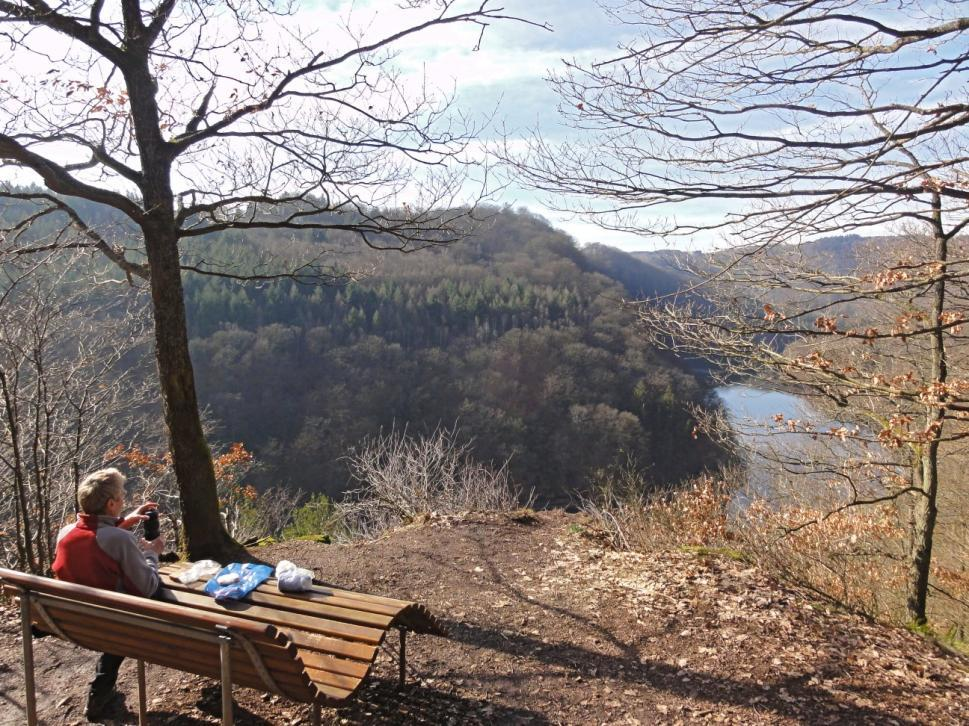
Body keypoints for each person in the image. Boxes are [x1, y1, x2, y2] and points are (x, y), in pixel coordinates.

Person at [51, 467, 165, 721]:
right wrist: (152, 553)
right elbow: (148, 587)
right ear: (111, 503)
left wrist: (123, 522)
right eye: (122, 497)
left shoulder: (65, 534)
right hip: (113, 624)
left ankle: (101, 692)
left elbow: (94, 541)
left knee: (112, 615)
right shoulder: (119, 540)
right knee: (156, 598)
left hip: (75, 622)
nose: (124, 499)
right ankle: (100, 690)